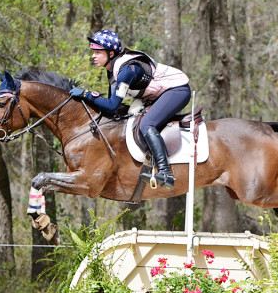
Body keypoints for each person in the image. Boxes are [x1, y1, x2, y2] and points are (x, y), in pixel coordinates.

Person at [69, 30, 191, 190]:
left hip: (177, 90)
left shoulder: (127, 70)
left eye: (98, 52)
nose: (93, 56)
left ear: (111, 53)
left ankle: (165, 172)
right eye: (93, 52)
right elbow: (113, 108)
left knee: (147, 124)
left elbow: (112, 104)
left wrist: (86, 94)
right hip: (159, 94)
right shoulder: (112, 71)